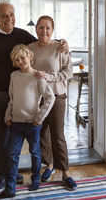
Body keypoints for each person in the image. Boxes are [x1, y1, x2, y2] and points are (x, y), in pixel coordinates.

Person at [0, 2, 68, 194]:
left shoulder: (22, 35)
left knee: (18, 141)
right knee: (2, 138)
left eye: (11, 14)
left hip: (24, 94)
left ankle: (13, 172)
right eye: (4, 15)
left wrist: (62, 42)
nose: (9, 18)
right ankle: (2, 176)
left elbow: (44, 42)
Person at [0, 45, 55, 199]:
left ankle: (35, 179)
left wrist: (39, 118)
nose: (20, 61)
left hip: (33, 124)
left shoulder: (38, 76)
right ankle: (10, 189)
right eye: (16, 59)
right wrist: (8, 116)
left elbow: (50, 97)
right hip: (15, 124)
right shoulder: (14, 76)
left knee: (35, 152)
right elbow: (12, 98)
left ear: (29, 56)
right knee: (12, 155)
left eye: (22, 57)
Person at [28, 15, 77, 190]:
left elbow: (68, 72)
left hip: (57, 96)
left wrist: (50, 77)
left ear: (53, 30)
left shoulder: (60, 47)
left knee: (58, 135)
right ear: (36, 29)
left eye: (48, 28)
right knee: (41, 134)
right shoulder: (30, 48)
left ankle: (65, 172)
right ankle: (48, 165)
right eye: (41, 27)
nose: (44, 31)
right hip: (37, 97)